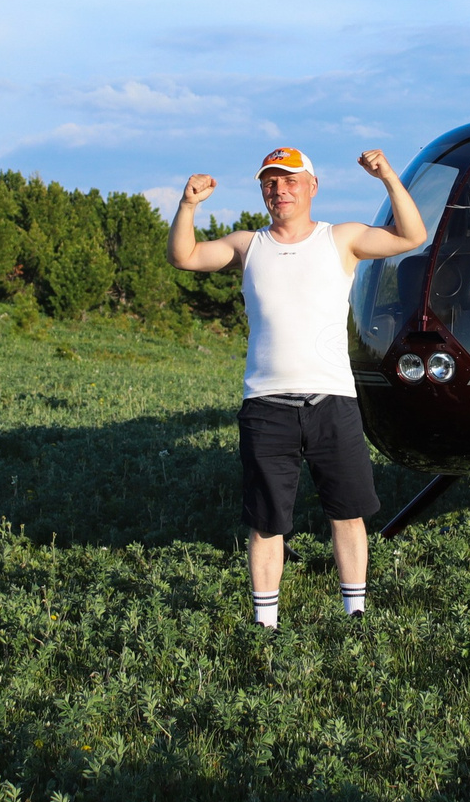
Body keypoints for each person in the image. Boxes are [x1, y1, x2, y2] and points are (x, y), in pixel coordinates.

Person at [169, 145, 427, 628]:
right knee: (266, 522)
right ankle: (265, 625)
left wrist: (388, 177)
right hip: (266, 405)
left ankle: (356, 615)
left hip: (333, 400)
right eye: (270, 181)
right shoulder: (248, 246)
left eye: (289, 180)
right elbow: (183, 256)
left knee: (348, 514)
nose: (279, 189)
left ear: (311, 186)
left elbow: (412, 235)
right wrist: (189, 205)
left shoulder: (341, 238)